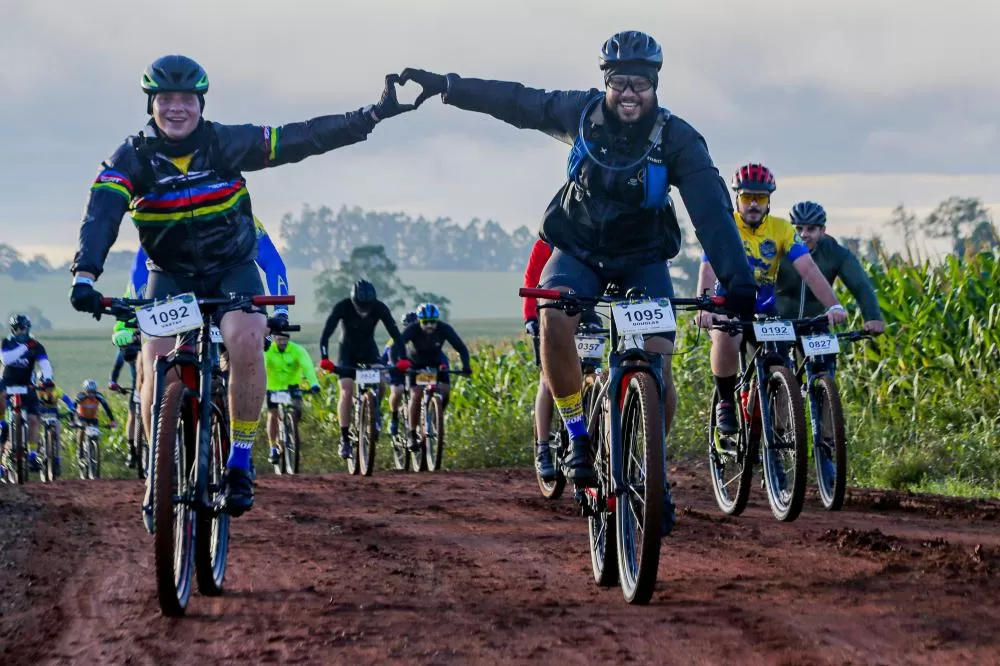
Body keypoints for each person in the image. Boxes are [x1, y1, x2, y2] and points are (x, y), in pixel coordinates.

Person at [398, 31, 758, 491]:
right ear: (606, 82)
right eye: (619, 82)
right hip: (578, 250)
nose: (629, 93)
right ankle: (576, 434)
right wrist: (449, 86)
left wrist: (738, 281)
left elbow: (712, 211)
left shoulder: (678, 139)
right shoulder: (580, 112)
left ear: (655, 85)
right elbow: (518, 102)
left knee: (659, 368)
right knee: (554, 315)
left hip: (643, 257)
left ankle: (649, 472)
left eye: (640, 84)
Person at [69, 55, 416, 516]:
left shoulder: (226, 142)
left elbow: (302, 137)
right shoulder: (129, 158)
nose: (176, 108)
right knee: (154, 362)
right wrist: (85, 274)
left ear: (201, 103)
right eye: (166, 99)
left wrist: (369, 116)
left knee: (247, 339)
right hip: (170, 275)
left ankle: (240, 459)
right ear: (151, 103)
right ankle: (158, 471)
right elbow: (101, 216)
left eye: (187, 99)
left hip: (232, 268)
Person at [695, 164, 848, 438]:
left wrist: (833, 305)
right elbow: (708, 269)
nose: (754, 204)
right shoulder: (724, 225)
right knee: (726, 336)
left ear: (769, 201)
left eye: (761, 198)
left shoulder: (781, 229)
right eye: (747, 197)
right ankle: (726, 402)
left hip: (765, 310)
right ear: (737, 198)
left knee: (780, 361)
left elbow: (808, 269)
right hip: (728, 307)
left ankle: (776, 432)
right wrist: (705, 306)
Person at [522, 237, 603, 481]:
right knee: (548, 380)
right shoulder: (544, 245)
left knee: (594, 371)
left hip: (586, 314)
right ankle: (543, 448)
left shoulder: (591, 240)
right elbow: (531, 281)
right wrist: (530, 318)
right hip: (551, 311)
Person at [319, 280, 404, 458]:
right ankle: (344, 439)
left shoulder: (379, 307)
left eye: (368, 307)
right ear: (353, 301)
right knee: (346, 391)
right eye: (360, 307)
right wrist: (325, 358)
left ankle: (374, 411)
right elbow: (326, 334)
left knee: (381, 381)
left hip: (369, 351)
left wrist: (403, 359)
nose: (364, 311)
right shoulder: (342, 307)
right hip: (347, 353)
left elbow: (396, 335)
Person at [776, 201, 885, 333]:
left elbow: (860, 285)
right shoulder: (778, 247)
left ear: (822, 231)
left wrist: (873, 317)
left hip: (816, 324)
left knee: (829, 346)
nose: (803, 234)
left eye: (811, 229)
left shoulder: (835, 252)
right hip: (778, 325)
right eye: (799, 229)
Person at [390, 303, 471, 453]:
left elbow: (461, 348)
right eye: (425, 322)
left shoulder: (444, 329)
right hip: (415, 364)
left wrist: (466, 366)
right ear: (419, 321)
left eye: (433, 322)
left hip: (436, 363)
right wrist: (397, 364)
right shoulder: (412, 329)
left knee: (445, 390)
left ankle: (436, 417)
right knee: (416, 394)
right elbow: (395, 348)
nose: (429, 326)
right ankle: (412, 433)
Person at [0, 315, 56, 475]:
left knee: (33, 419)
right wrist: (25, 347)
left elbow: (45, 364)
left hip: (26, 384)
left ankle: (32, 454)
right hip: (7, 382)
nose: (20, 331)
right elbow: (6, 360)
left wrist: (48, 379)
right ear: (13, 330)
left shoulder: (36, 346)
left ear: (28, 328)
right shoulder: (6, 342)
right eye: (17, 329)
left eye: (23, 328)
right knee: (3, 422)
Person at [264, 331, 320, 464]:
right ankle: (273, 447)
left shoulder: (297, 350)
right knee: (273, 415)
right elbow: (262, 366)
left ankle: (291, 428)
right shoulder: (268, 351)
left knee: (296, 410)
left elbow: (307, 367)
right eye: (279, 339)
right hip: (273, 388)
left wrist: (314, 384)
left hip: (292, 387)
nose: (282, 342)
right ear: (274, 339)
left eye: (285, 339)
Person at [381, 310, 422, 437]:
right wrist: (389, 367)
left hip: (413, 370)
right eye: (409, 324)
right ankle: (394, 418)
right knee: (398, 390)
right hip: (397, 369)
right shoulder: (396, 339)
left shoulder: (421, 338)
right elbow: (385, 357)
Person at [72, 380, 117, 466]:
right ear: (85, 390)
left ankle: (94, 450)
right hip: (81, 417)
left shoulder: (99, 396)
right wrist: (72, 420)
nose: (91, 394)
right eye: (89, 392)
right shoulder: (80, 396)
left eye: (93, 392)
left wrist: (112, 420)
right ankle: (80, 449)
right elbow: (73, 407)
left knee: (96, 433)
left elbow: (106, 408)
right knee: (82, 429)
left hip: (93, 418)